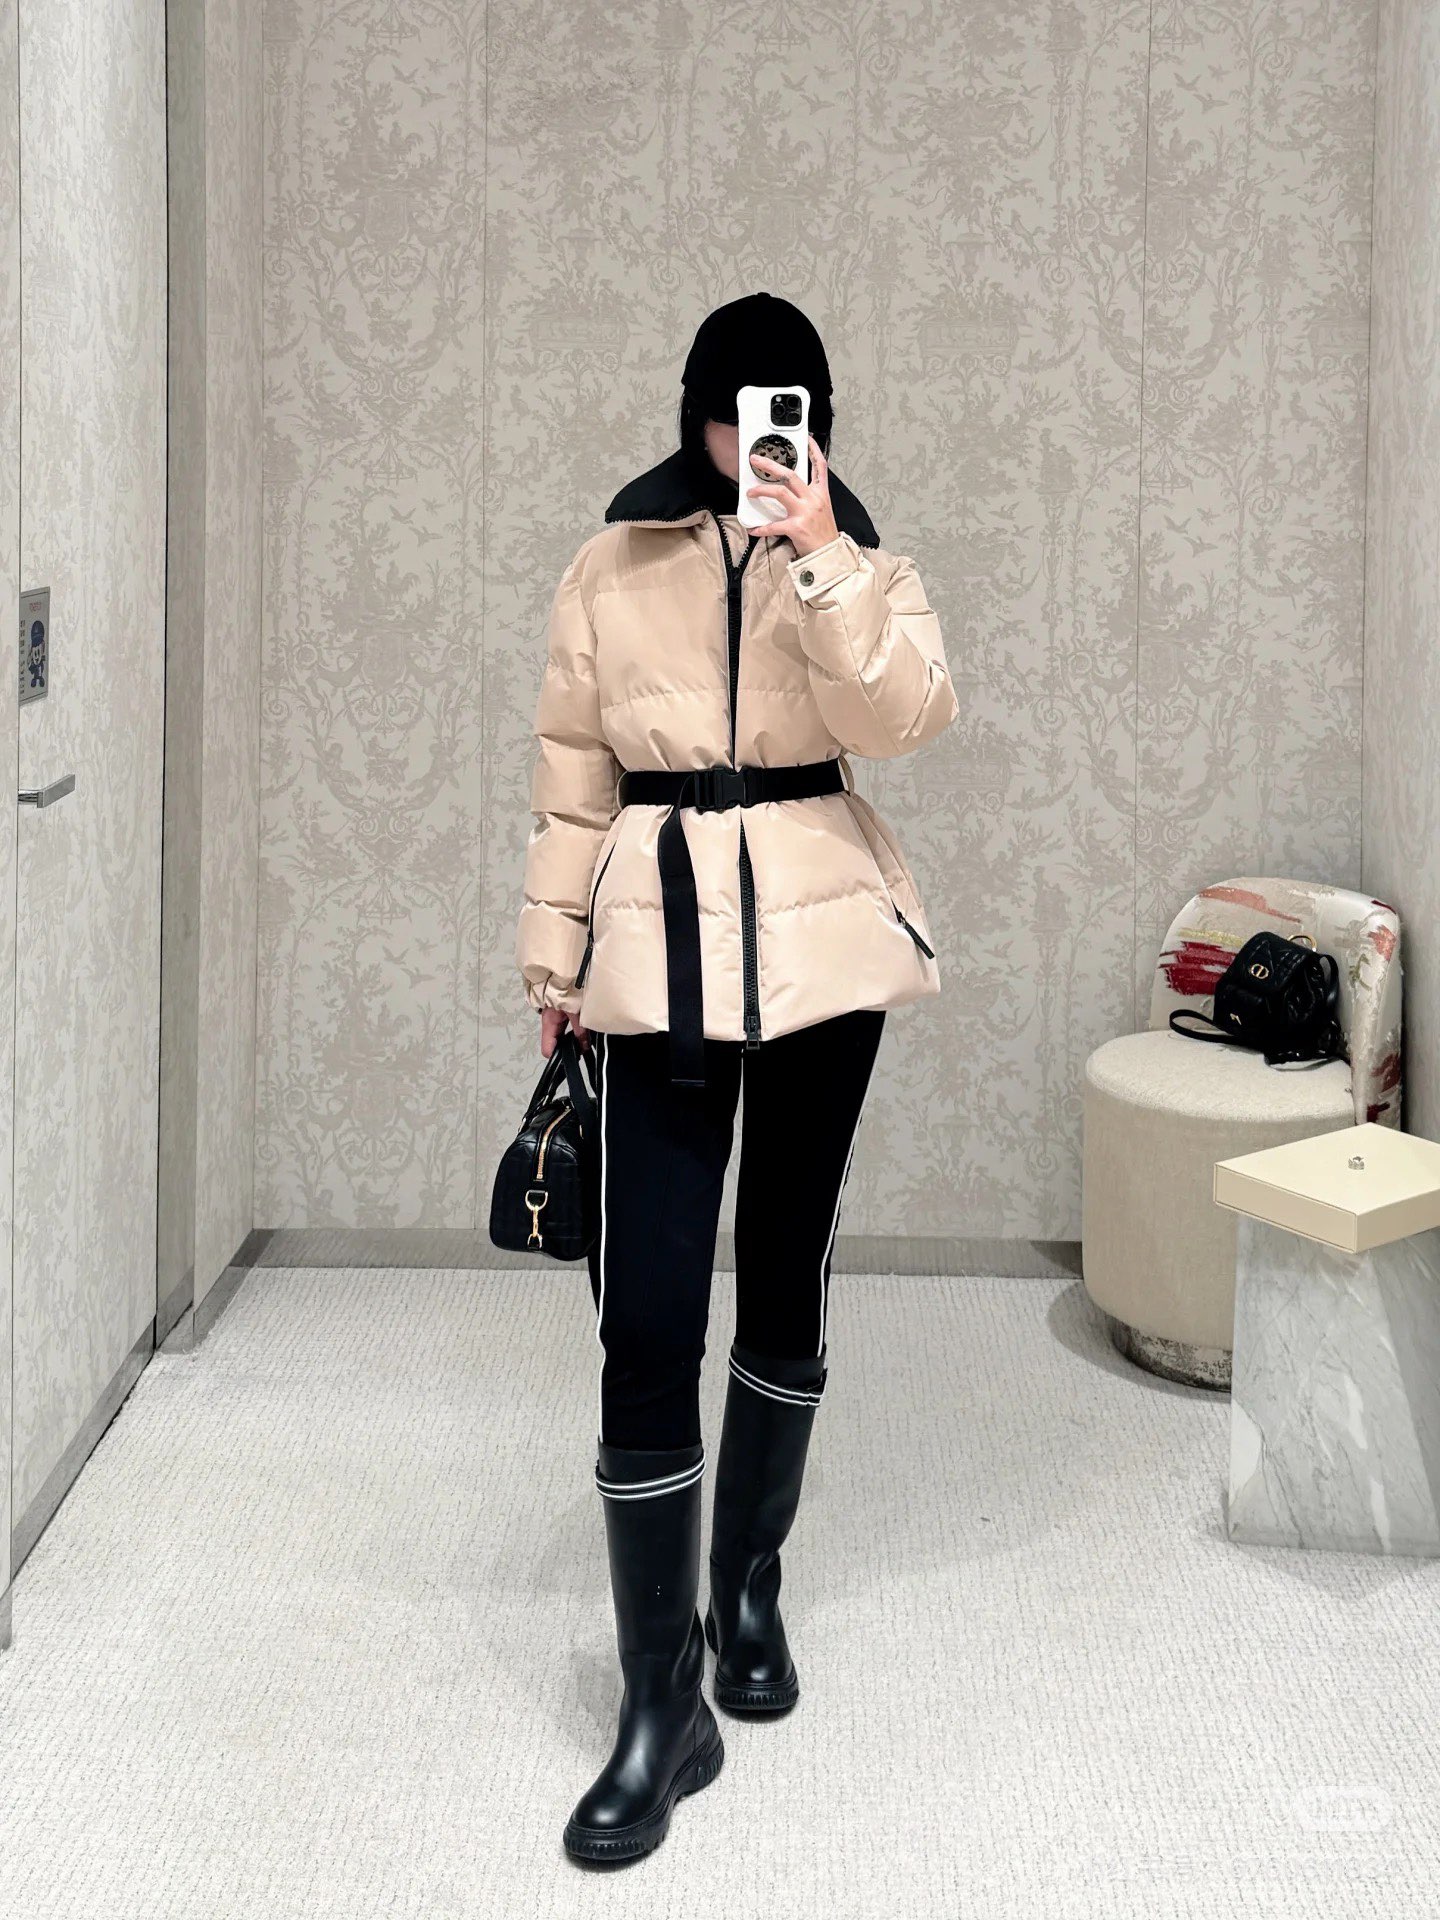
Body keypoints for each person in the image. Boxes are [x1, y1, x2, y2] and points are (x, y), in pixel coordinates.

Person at [514, 291, 958, 1864]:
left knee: (784, 1269)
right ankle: (663, 1703)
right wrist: (555, 965)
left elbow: (901, 719)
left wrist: (821, 553)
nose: (764, 439)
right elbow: (573, 777)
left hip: (825, 946)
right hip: (659, 953)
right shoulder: (609, 562)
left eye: (795, 417)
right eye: (742, 411)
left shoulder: (860, 555)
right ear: (696, 409)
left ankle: (747, 1588)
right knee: (646, 1313)